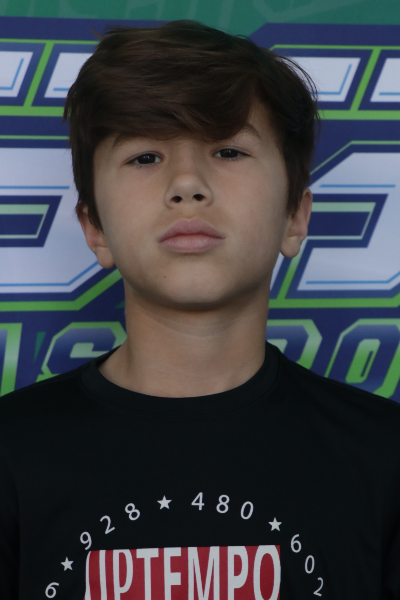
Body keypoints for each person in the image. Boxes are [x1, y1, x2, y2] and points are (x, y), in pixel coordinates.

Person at [0, 20, 399, 600]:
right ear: (95, 229)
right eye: (145, 157)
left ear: (294, 215)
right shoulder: (11, 454)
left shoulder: (383, 457)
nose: (187, 184)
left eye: (228, 150)